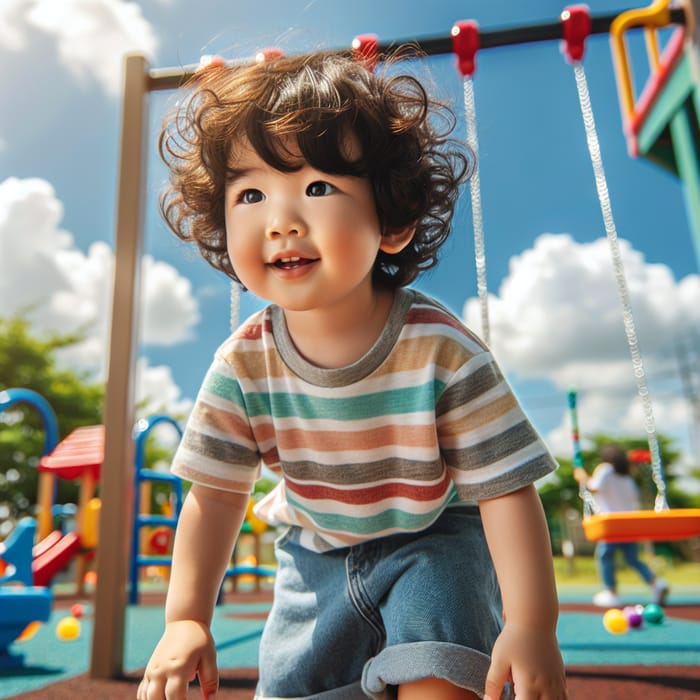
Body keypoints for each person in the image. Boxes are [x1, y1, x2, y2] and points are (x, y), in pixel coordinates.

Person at [138, 49, 567, 700]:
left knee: (441, 670)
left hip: (434, 541)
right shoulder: (243, 364)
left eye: (317, 187)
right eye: (251, 193)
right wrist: (186, 618)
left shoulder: (441, 350)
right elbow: (217, 492)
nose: (280, 218)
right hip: (312, 555)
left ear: (391, 221)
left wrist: (534, 625)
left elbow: (506, 487)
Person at [574, 444, 669, 608]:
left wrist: (581, 476)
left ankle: (611, 593)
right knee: (633, 559)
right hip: (628, 523)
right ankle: (656, 583)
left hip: (611, 523)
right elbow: (634, 498)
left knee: (605, 557)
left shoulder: (605, 469)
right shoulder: (626, 476)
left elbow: (594, 487)